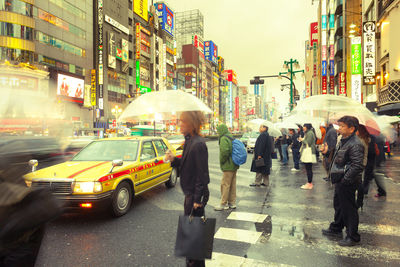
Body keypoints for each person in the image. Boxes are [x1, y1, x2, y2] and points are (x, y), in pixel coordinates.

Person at [165, 111, 210, 267]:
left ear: (191, 124)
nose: (180, 124)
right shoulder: (190, 141)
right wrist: (173, 160)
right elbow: (187, 165)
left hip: (194, 198)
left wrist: (198, 200)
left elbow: (202, 174)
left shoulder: (198, 144)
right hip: (190, 196)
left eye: (183, 121)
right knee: (191, 242)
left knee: (194, 243)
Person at [322, 116, 364, 247]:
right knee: (339, 205)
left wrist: (345, 180)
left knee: (349, 209)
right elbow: (338, 158)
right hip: (340, 178)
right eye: (339, 126)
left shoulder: (355, 143)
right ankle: (336, 227)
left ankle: (353, 236)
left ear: (351, 129)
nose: (339, 128)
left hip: (347, 181)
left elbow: (357, 165)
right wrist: (326, 152)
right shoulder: (344, 140)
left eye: (342, 126)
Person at [215, 124, 239, 211]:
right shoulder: (230, 136)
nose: (218, 133)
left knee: (225, 184)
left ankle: (223, 204)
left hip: (228, 165)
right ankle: (232, 203)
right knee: (232, 184)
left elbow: (225, 151)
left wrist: (222, 161)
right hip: (234, 164)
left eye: (218, 131)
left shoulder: (223, 138)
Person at [299, 123, 316, 189]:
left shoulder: (310, 133)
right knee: (308, 168)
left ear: (307, 127)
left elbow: (308, 142)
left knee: (308, 168)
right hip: (309, 152)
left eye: (304, 126)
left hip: (309, 152)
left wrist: (302, 140)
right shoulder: (309, 133)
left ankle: (309, 183)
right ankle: (309, 183)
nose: (303, 127)